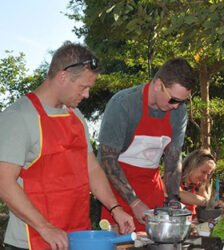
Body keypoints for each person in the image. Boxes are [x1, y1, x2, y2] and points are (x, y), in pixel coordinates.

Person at [0, 41, 135, 250]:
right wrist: (45, 227)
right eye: (83, 87)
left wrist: (115, 207)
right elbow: (4, 183)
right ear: (62, 77)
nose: (87, 95)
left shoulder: (77, 116)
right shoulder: (18, 117)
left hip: (76, 237)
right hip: (33, 240)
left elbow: (91, 169)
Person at [98, 58, 196, 231]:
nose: (177, 107)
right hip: (119, 199)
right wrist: (134, 202)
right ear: (158, 85)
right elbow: (107, 161)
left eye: (182, 101)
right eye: (173, 100)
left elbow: (173, 159)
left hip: (153, 193)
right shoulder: (123, 105)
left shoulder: (178, 112)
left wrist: (173, 199)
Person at [179, 149, 217, 217]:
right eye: (203, 172)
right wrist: (207, 202)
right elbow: (178, 193)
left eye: (208, 174)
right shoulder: (172, 178)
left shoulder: (197, 184)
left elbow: (205, 201)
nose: (205, 178)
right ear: (192, 165)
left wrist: (215, 204)